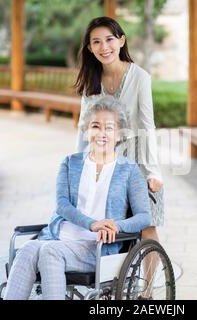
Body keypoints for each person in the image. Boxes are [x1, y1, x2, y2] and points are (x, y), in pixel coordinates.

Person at [3, 97, 152, 300]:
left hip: (96, 247)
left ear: (118, 134)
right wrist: (92, 224)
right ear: (86, 130)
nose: (101, 133)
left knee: (50, 253)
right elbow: (62, 205)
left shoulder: (129, 170)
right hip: (58, 237)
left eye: (109, 128)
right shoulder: (70, 163)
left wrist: (116, 226)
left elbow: (144, 217)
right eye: (95, 126)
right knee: (28, 248)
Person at [75, 16, 164, 245]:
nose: (104, 47)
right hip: (105, 160)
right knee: (109, 228)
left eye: (109, 39)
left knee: (147, 228)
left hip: (137, 159)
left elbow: (147, 125)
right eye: (96, 42)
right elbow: (84, 129)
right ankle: (118, 280)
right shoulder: (90, 81)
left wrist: (153, 172)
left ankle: (151, 281)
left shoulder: (140, 77)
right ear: (89, 48)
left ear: (121, 41)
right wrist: (79, 167)